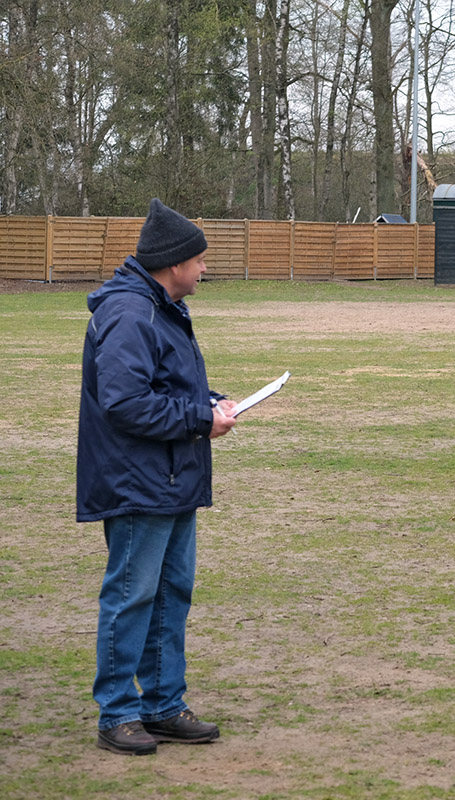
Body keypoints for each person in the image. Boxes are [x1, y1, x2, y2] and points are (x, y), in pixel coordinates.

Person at [77, 198, 237, 755]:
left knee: (171, 593)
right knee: (133, 595)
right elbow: (125, 403)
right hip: (138, 483)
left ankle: (164, 705)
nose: (203, 269)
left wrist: (211, 402)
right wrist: (200, 419)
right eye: (198, 261)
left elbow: (163, 386)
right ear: (173, 264)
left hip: (170, 479)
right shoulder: (130, 313)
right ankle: (117, 714)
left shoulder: (160, 308)